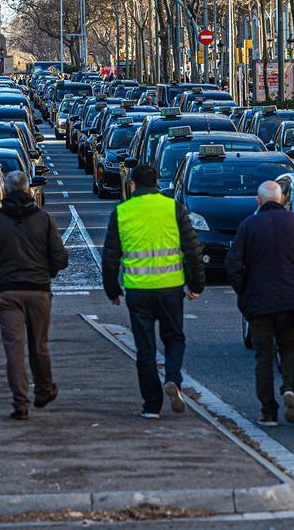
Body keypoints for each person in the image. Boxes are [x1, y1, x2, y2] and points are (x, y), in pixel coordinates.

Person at [102, 164, 205, 419]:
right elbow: (193, 250)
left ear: (133, 184)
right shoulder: (173, 208)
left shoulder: (122, 212)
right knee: (174, 338)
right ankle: (172, 378)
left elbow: (110, 256)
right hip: (170, 288)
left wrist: (112, 289)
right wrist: (196, 285)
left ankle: (151, 405)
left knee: (145, 348)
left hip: (138, 290)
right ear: (157, 182)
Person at [0, 170, 68, 420]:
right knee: (40, 345)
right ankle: (45, 389)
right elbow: (60, 257)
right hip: (38, 290)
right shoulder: (44, 219)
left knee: (14, 349)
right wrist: (46, 274)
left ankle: (21, 403)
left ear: (5, 191)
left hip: (7, 292)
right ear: (28, 191)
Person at [226, 181, 294, 427]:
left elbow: (233, 265)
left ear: (259, 201)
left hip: (260, 303)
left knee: (263, 357)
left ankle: (268, 411)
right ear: (281, 200)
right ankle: (289, 387)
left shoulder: (248, 226)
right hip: (292, 300)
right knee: (289, 347)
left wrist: (244, 292)